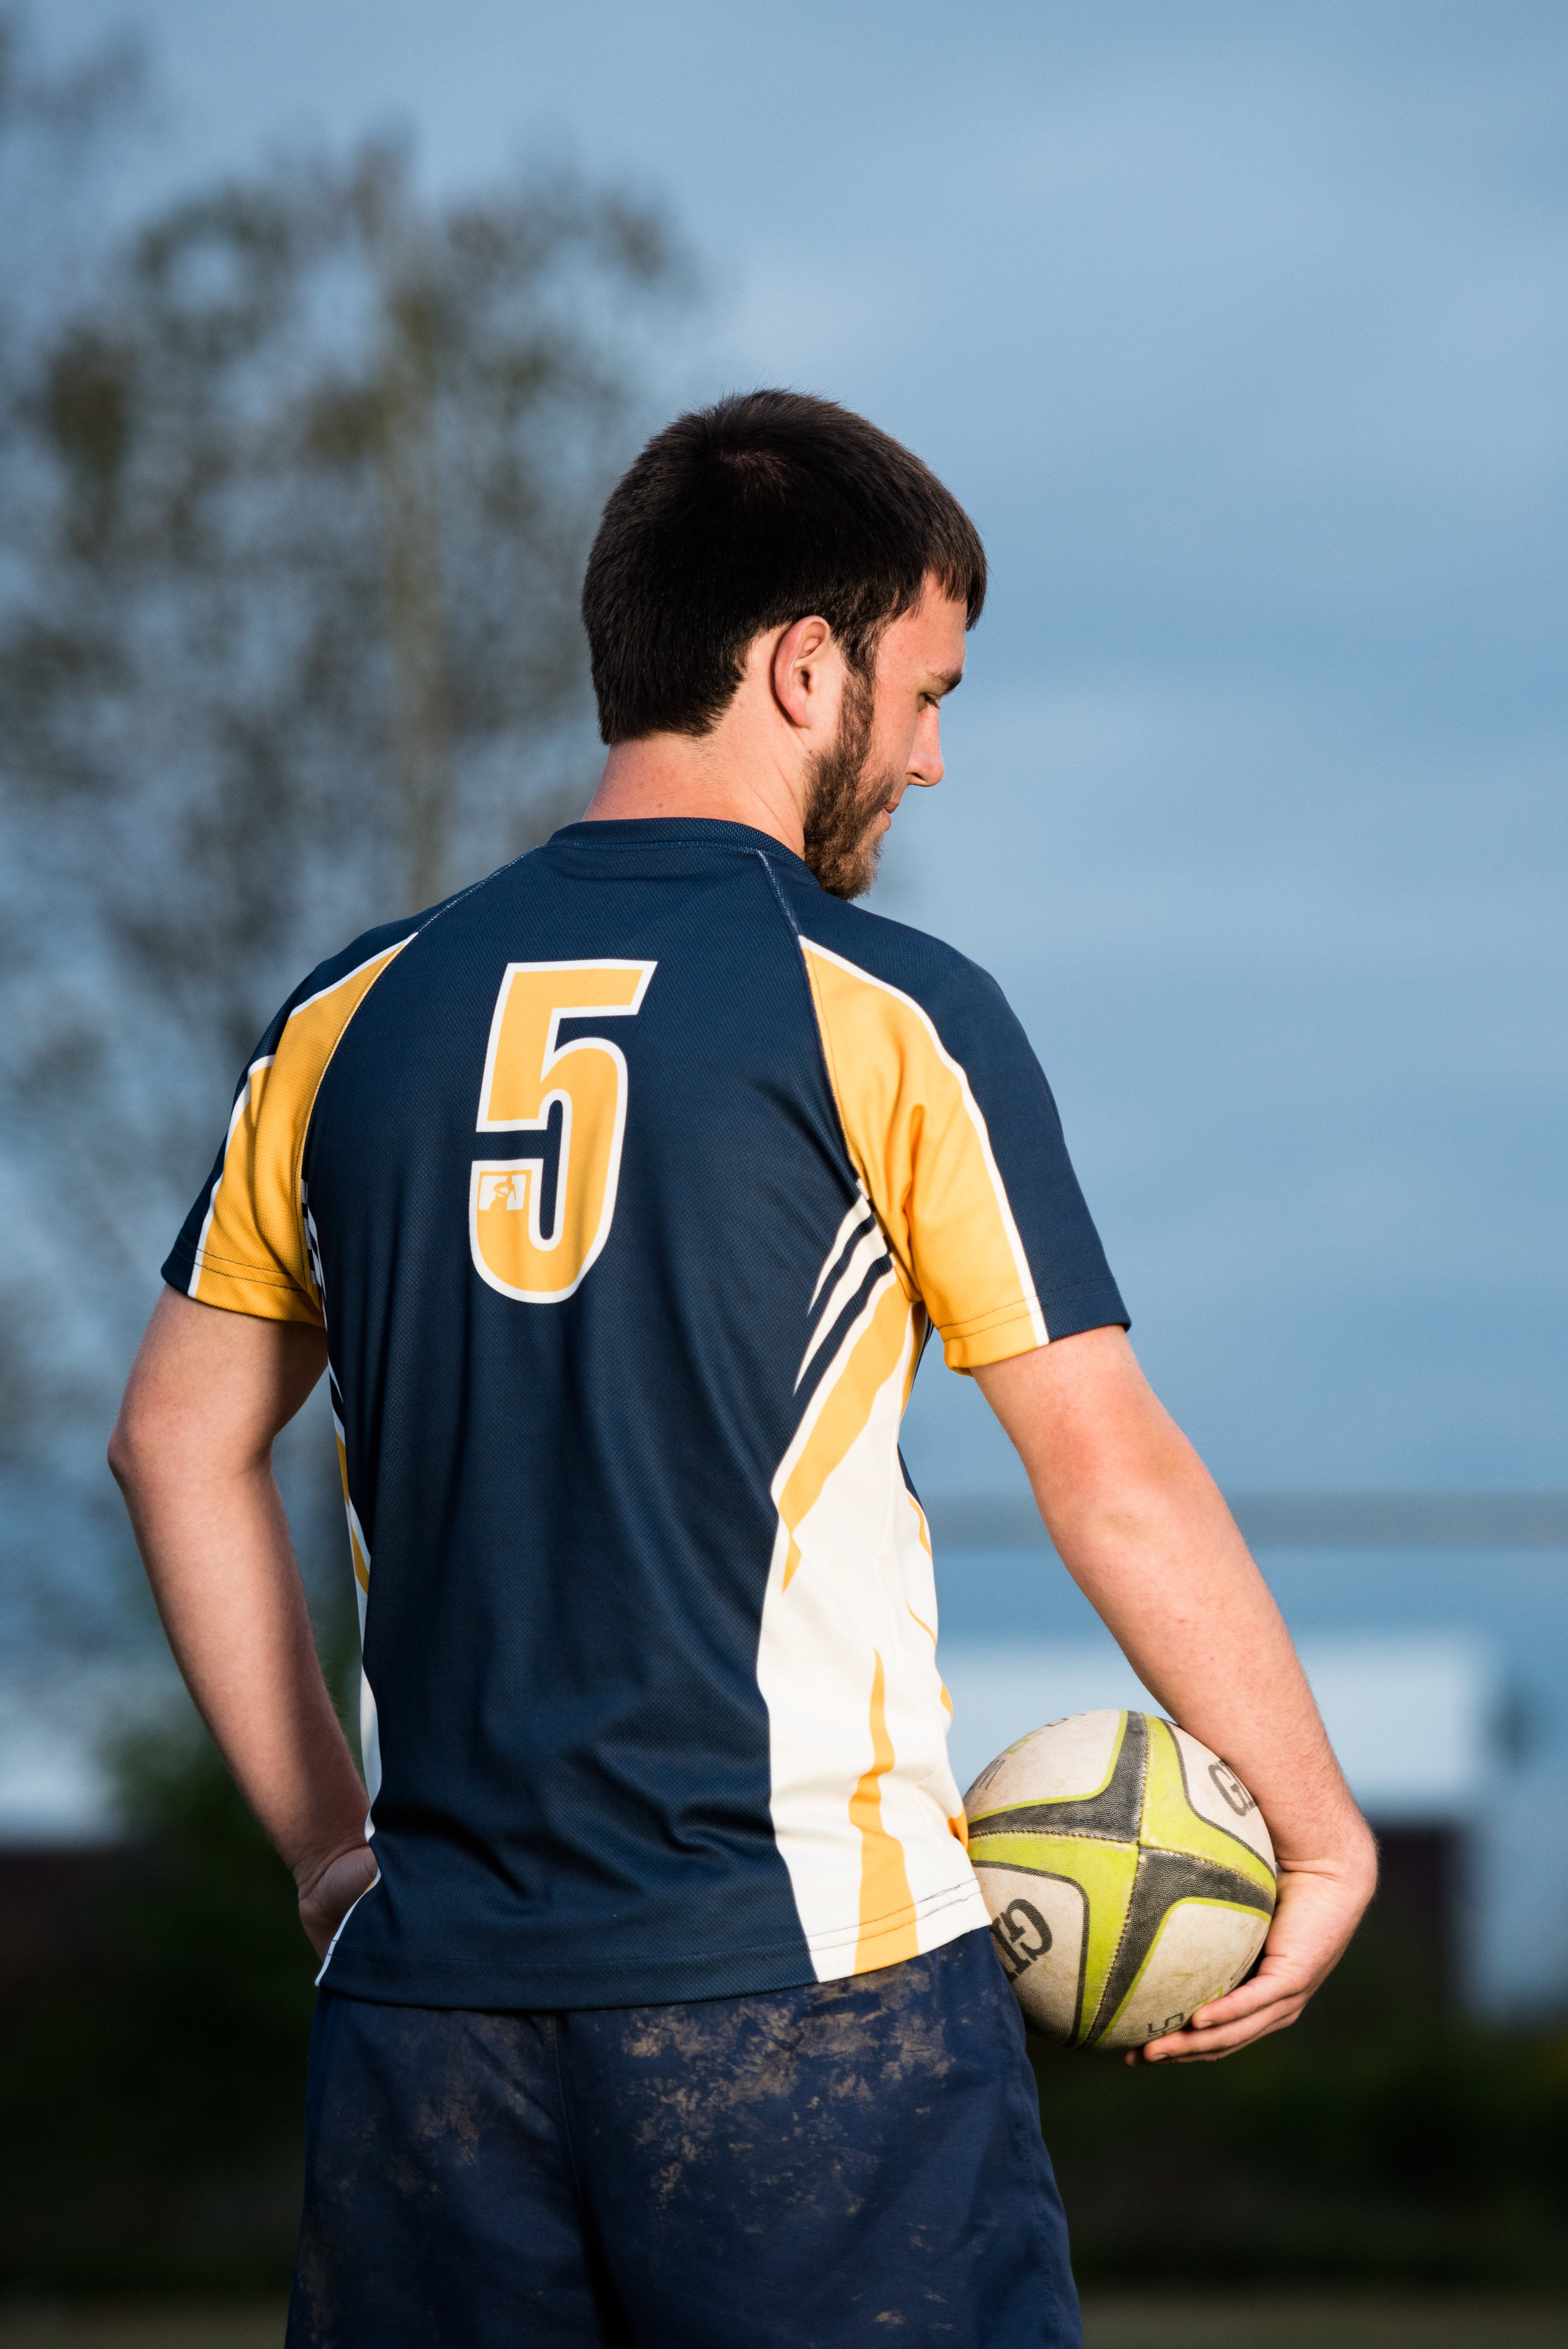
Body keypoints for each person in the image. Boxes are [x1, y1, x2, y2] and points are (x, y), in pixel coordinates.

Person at [109, 390, 1376, 2348]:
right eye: (926, 690)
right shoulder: (887, 1010)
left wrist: (323, 1842)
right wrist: (1316, 1826)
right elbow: (1103, 1465)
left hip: (427, 2019)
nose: (933, 758)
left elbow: (171, 1446)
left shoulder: (348, 1010)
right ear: (806, 666)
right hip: (812, 2004)